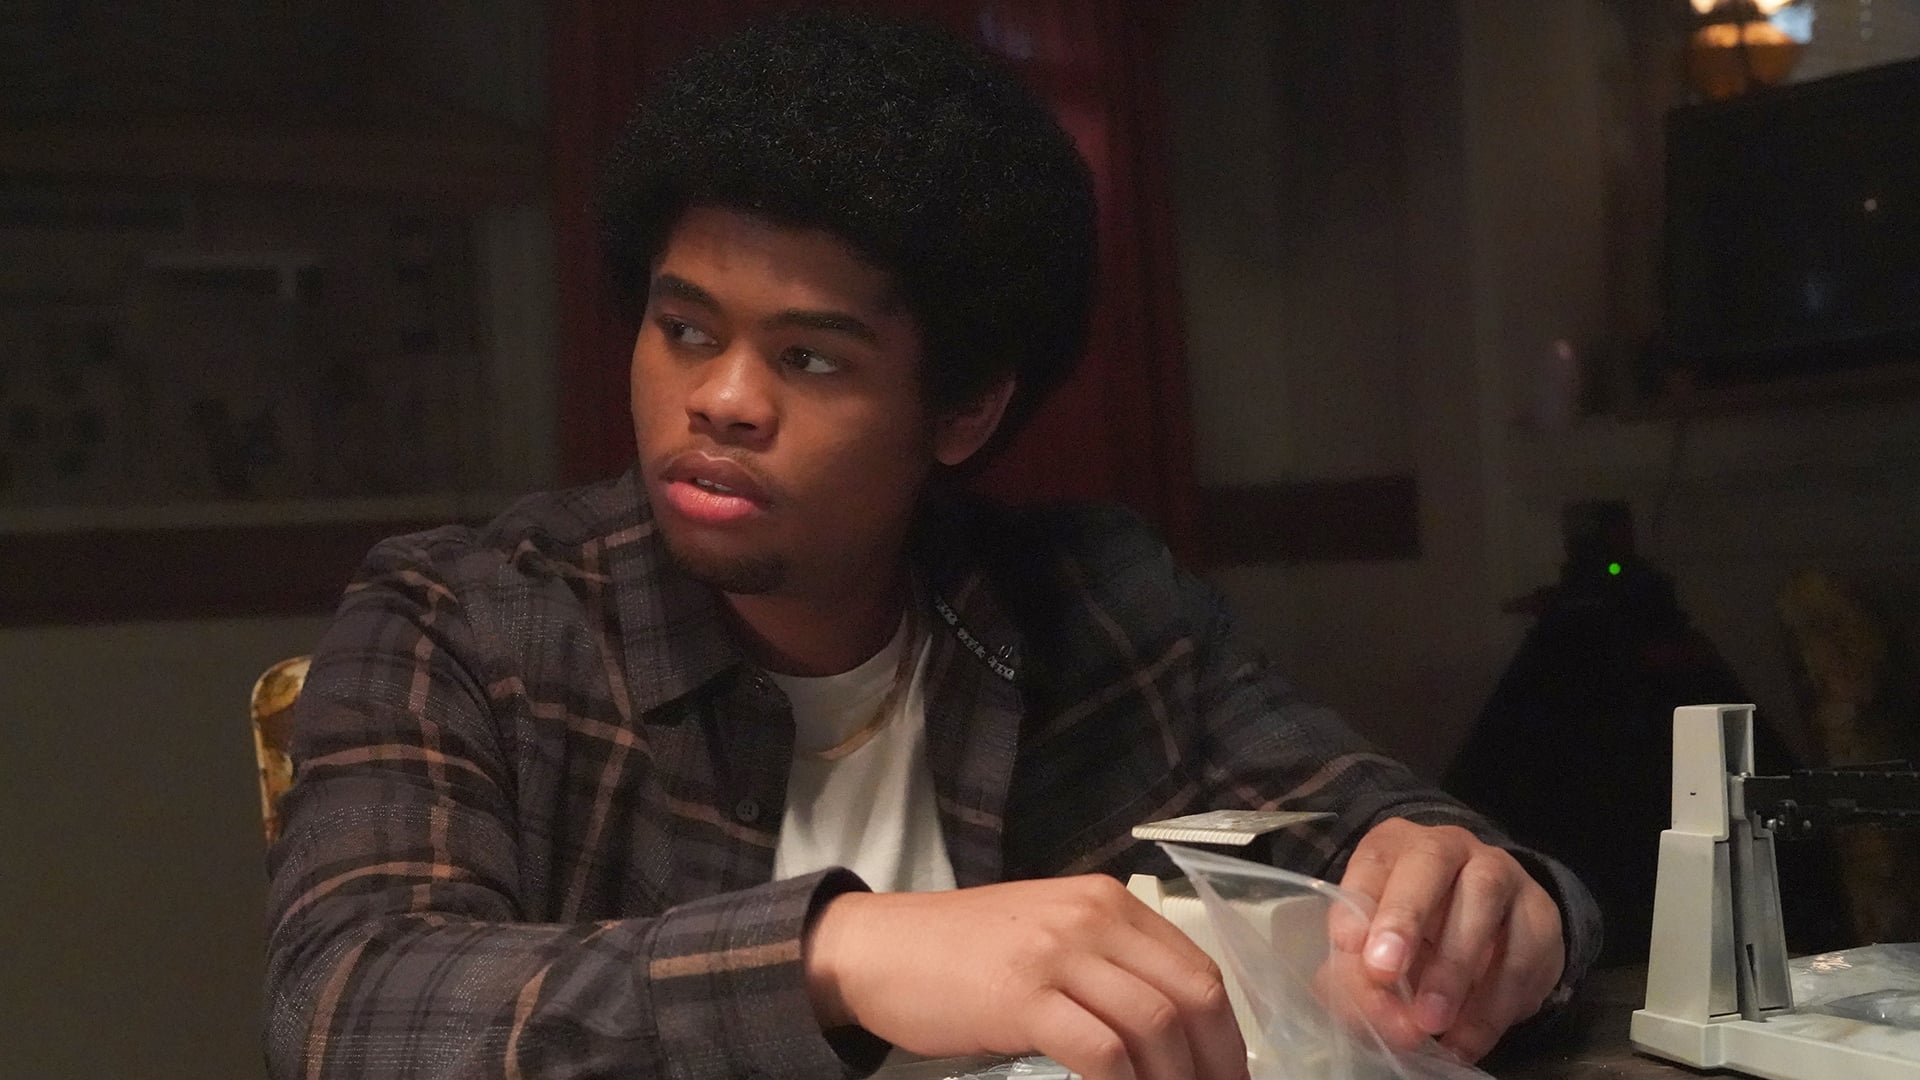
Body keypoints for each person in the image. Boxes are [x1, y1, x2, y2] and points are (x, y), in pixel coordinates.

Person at [264, 12, 1600, 1080]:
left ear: (962, 411)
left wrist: (1499, 911)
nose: (721, 399)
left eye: (808, 357)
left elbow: (1386, 832)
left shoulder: (1096, 605)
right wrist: (843, 956)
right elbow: (346, 1005)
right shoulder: (465, 618)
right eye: (685, 330)